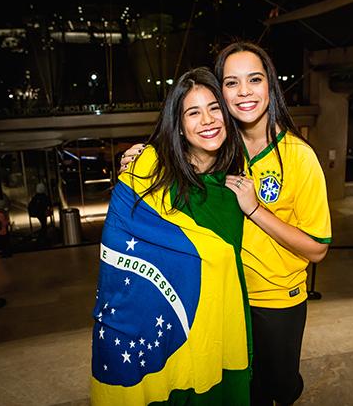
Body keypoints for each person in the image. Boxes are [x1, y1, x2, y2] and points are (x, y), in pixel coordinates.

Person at [121, 42, 332, 406]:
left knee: (278, 389)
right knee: (238, 393)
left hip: (275, 303)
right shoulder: (222, 148)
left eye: (254, 79)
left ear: (271, 86)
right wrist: (146, 155)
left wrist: (255, 210)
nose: (245, 91)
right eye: (231, 83)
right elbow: (180, 152)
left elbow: (317, 249)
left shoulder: (299, 157)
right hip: (223, 299)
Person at [91, 67, 252, 405]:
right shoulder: (149, 175)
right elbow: (122, 259)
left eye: (214, 108)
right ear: (178, 124)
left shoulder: (234, 187)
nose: (207, 120)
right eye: (193, 112)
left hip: (219, 328)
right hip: (167, 336)